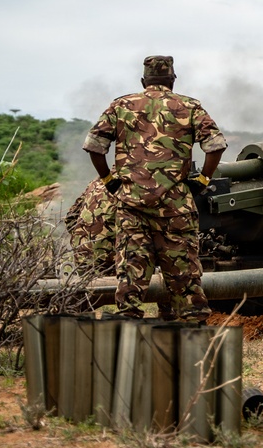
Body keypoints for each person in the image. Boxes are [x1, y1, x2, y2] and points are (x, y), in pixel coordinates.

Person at [83, 55, 227, 321]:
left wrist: (109, 181)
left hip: (131, 206)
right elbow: (216, 145)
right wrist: (203, 180)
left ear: (143, 80)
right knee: (185, 276)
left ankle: (128, 330)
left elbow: (94, 146)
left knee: (130, 276)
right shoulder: (190, 106)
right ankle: (192, 332)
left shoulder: (121, 105)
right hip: (176, 207)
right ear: (172, 80)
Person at [64, 177, 117, 276]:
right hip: (111, 262)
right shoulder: (133, 186)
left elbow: (70, 220)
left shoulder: (95, 182)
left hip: (82, 257)